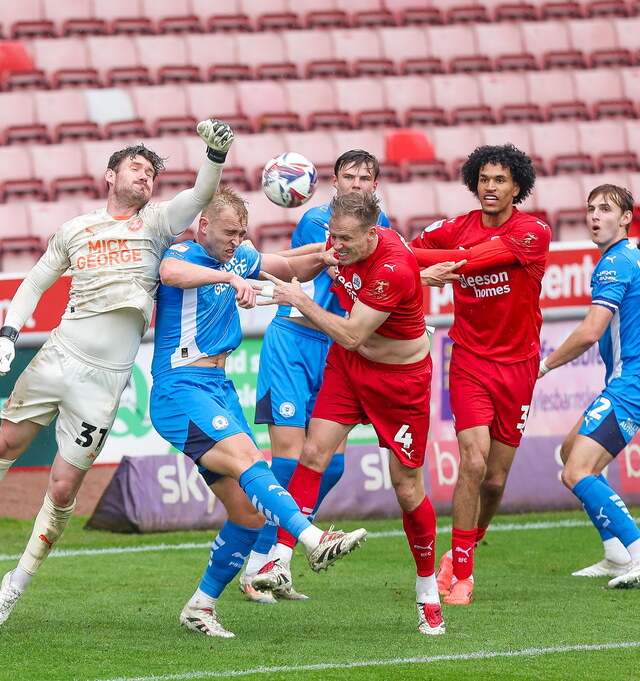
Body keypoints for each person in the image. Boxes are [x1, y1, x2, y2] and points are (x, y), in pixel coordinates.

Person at [0, 121, 236, 630]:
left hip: (105, 381)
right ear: (110, 175)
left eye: (152, 173)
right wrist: (7, 334)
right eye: (137, 167)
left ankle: (14, 584)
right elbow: (37, 279)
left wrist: (214, 157)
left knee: (64, 490)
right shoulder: (76, 229)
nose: (145, 177)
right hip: (58, 356)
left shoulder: (156, 224)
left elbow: (198, 195)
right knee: (3, 446)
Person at [150, 187, 367, 638]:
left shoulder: (237, 256)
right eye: (229, 233)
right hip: (180, 388)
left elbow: (289, 267)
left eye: (242, 234)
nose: (236, 242)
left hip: (217, 388)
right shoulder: (182, 252)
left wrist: (331, 255)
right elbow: (169, 274)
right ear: (204, 225)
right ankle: (311, 540)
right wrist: (228, 279)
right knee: (253, 463)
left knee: (248, 514)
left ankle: (200, 607)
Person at [257, 191, 445, 636]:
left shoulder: (392, 268)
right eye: (332, 236)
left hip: (400, 382)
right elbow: (300, 259)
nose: (335, 247)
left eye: (345, 240)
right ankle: (280, 561)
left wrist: (298, 301)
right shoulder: (343, 247)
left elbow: (352, 333)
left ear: (372, 231)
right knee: (312, 456)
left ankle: (427, 590)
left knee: (406, 487)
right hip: (351, 370)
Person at [242, 149, 390, 603]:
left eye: (366, 177)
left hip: (338, 346)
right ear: (334, 182)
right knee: (288, 459)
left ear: (375, 184)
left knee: (334, 463)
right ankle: (260, 564)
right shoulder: (317, 220)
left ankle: (276, 558)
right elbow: (342, 261)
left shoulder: (382, 228)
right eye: (349, 176)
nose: (357, 184)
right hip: (294, 340)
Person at [409, 144, 549, 607]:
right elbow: (408, 254)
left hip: (520, 366)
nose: (491, 187)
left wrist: (446, 262)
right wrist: (432, 261)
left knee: (494, 479)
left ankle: (458, 552)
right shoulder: (454, 227)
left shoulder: (534, 232)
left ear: (517, 187)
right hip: (468, 360)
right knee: (472, 462)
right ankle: (462, 575)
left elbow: (475, 260)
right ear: (475, 183)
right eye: (484, 179)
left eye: (500, 180)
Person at [541, 185, 640, 586]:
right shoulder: (630, 256)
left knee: (575, 470)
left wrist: (543, 366)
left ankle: (635, 550)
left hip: (630, 382)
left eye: (606, 209)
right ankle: (616, 553)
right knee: (570, 453)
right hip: (625, 379)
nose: (595, 216)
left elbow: (590, 331)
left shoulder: (616, 263)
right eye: (591, 209)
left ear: (626, 218)